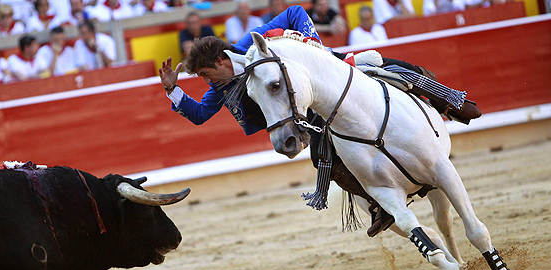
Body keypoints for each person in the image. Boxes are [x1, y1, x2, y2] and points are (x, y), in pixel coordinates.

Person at [159, 5, 480, 235]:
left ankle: (450, 99)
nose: (205, 82)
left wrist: (318, 51)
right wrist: (172, 90)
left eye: (204, 74)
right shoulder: (220, 87)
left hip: (322, 78)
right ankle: (379, 204)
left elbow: (296, 11)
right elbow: (200, 115)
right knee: (324, 159)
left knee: (384, 67)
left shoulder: (250, 45)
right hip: (299, 109)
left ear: (220, 61)